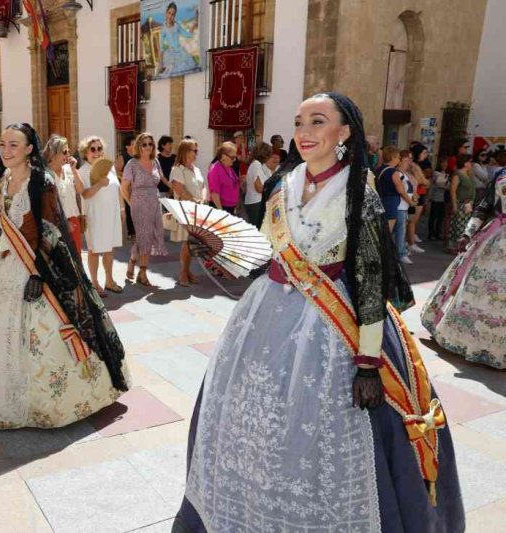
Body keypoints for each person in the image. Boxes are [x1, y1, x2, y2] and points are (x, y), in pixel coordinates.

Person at [176, 92, 463, 533]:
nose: (305, 132)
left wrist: (368, 363)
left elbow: (370, 278)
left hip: (334, 326)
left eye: (317, 121)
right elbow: (264, 254)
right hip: (267, 316)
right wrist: (214, 252)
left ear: (343, 132)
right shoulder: (282, 186)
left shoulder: (357, 195)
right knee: (257, 421)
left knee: (319, 432)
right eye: (299, 122)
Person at [0, 123, 131, 429]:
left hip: (35, 268)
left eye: (14, 145)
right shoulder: (2, 179)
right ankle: (2, 392)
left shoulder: (41, 181)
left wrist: (39, 273)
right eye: (2, 144)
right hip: (3, 268)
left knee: (41, 333)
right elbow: (0, 226)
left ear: (30, 148)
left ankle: (47, 402)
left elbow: (52, 230)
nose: (6, 150)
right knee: (0, 332)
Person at [422, 168, 506, 368]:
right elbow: (484, 206)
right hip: (495, 239)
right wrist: (468, 233)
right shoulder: (501, 174)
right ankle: (470, 341)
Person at [120, 132, 168, 287]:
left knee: (151, 235)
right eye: (144, 144)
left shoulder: (156, 162)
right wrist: (130, 202)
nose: (148, 147)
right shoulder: (131, 164)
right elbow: (124, 187)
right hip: (139, 205)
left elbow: (161, 179)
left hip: (155, 202)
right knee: (144, 237)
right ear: (138, 146)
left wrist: (174, 188)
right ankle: (143, 272)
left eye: (150, 144)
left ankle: (133, 260)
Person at [78, 136, 123, 296]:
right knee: (94, 250)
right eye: (93, 149)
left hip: (111, 214)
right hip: (94, 215)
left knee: (109, 249)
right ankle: (95, 283)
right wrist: (99, 184)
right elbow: (85, 194)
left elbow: (116, 188)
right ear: (86, 152)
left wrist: (122, 209)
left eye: (99, 149)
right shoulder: (82, 171)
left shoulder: (108, 168)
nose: (97, 152)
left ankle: (109, 281)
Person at [168, 138, 207, 286]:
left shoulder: (196, 169)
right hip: (185, 209)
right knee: (187, 242)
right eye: (194, 150)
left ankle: (187, 271)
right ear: (185, 151)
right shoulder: (178, 169)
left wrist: (203, 198)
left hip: (198, 209)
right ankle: (183, 272)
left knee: (192, 241)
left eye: (197, 150)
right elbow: (179, 189)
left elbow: (203, 186)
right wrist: (194, 200)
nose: (196, 153)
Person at [44, 135, 85, 253]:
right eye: (64, 152)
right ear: (53, 154)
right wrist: (64, 223)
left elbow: (81, 189)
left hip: (74, 220)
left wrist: (74, 170)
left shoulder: (68, 169)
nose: (68, 155)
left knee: (77, 259)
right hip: (57, 223)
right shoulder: (46, 174)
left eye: (68, 151)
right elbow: (49, 204)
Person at [447, 154, 476, 253]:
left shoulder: (469, 174)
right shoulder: (457, 174)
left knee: (465, 226)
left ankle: (462, 245)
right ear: (465, 163)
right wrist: (454, 204)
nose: (471, 164)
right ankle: (455, 246)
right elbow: (453, 190)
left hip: (468, 204)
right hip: (460, 204)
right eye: (470, 161)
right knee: (458, 225)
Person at [159, 2, 197, 76]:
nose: (170, 15)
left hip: (181, 53)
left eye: (172, 14)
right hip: (170, 55)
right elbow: (161, 47)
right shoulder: (163, 29)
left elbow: (188, 35)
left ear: (174, 15)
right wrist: (160, 64)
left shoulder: (177, 25)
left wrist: (194, 25)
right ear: (166, 12)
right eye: (169, 13)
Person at [394, 150, 418, 264]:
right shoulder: (398, 174)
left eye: (409, 160)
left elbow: (408, 190)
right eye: (405, 160)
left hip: (404, 206)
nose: (408, 162)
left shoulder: (404, 174)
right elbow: (401, 191)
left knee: (399, 230)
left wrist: (413, 197)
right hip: (400, 206)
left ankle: (400, 251)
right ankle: (401, 253)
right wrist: (411, 201)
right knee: (400, 231)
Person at [243, 142, 274, 227]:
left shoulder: (258, 164)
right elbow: (259, 187)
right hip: (255, 202)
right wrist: (270, 190)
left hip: (256, 201)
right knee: (256, 228)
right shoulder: (256, 164)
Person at [406, 148, 430, 253]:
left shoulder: (417, 166)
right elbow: (422, 181)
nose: (425, 155)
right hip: (415, 194)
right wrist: (424, 180)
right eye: (423, 152)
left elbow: (425, 181)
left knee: (413, 221)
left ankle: (410, 241)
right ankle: (409, 242)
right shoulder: (413, 166)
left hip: (420, 193)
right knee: (411, 221)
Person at [374, 146, 402, 232]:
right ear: (393, 157)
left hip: (379, 200)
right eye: (398, 157)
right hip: (390, 202)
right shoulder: (393, 172)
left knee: (379, 228)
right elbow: (401, 190)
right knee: (388, 230)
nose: (399, 160)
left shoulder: (378, 169)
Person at [207, 142, 240, 214]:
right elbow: (214, 193)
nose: (234, 160)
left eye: (235, 157)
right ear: (223, 156)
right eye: (232, 157)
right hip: (220, 208)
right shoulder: (215, 170)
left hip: (230, 208)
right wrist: (221, 212)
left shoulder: (228, 167)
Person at [115, 134, 136, 240]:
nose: (135, 145)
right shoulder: (122, 156)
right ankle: (131, 232)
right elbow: (116, 170)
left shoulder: (137, 156)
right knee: (129, 208)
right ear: (127, 146)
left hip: (136, 187)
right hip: (126, 187)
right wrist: (127, 178)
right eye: (133, 144)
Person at [428, 156, 450, 240]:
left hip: (444, 198)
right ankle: (431, 233)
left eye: (446, 163)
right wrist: (449, 187)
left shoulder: (446, 174)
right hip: (437, 197)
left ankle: (438, 232)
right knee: (434, 216)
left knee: (441, 217)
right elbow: (441, 184)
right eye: (442, 163)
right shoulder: (437, 173)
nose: (444, 164)